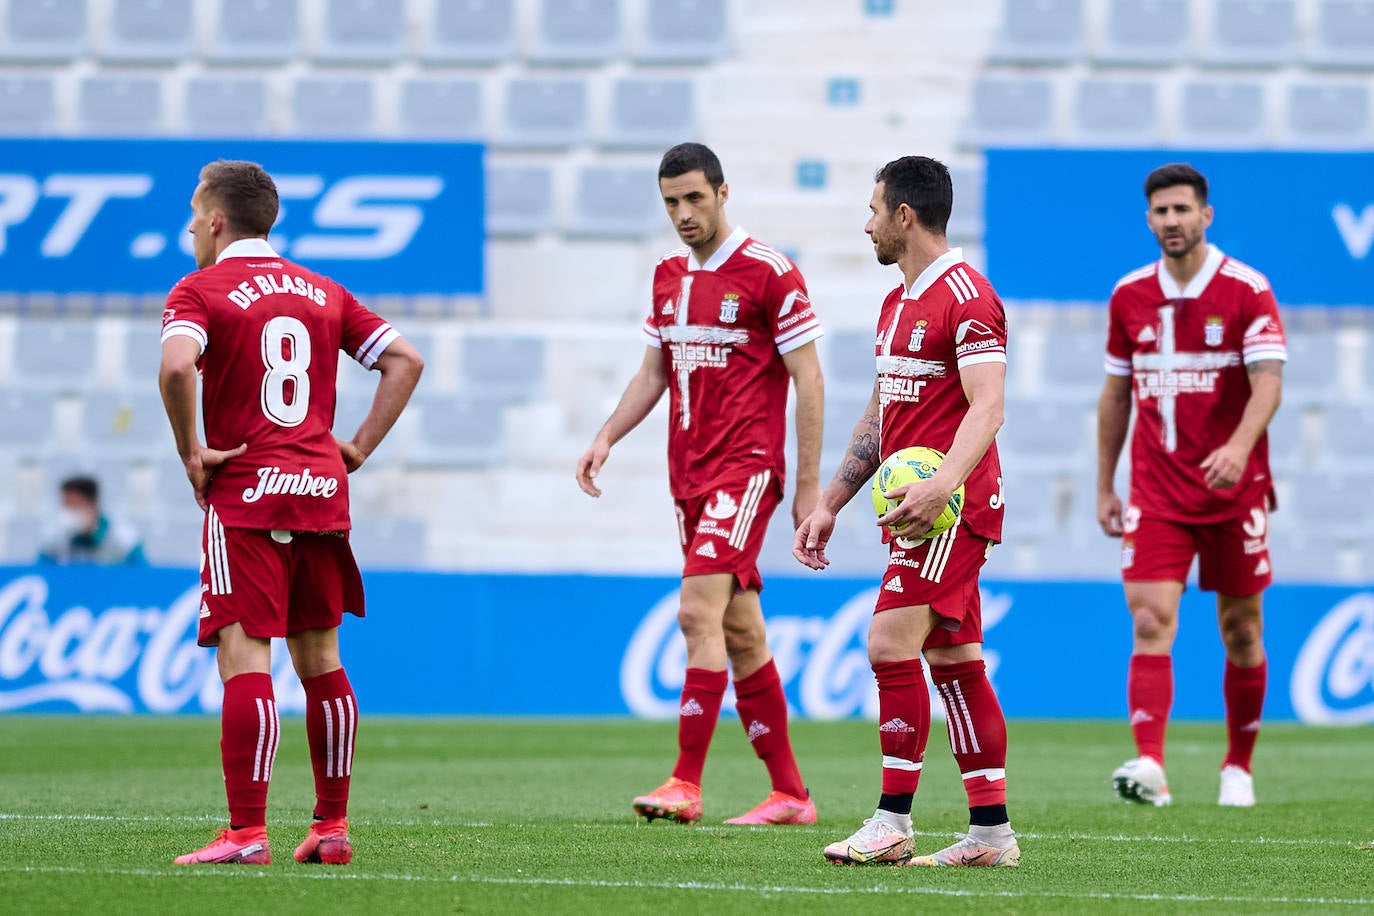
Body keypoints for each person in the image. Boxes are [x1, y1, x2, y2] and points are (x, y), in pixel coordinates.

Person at [159, 160, 423, 865]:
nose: (189, 227)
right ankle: (331, 828)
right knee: (322, 660)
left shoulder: (199, 288)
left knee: (246, 656)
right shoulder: (323, 290)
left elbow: (178, 368)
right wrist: (359, 446)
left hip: (245, 489)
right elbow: (405, 361)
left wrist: (193, 450)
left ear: (216, 221)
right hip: (319, 491)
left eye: (193, 213)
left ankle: (246, 833)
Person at [576, 142, 825, 826]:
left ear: (722, 192)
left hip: (745, 470)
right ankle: (791, 795)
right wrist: (606, 435)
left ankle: (685, 782)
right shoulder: (666, 276)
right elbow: (653, 372)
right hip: (687, 476)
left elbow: (809, 377)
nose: (683, 213)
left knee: (694, 614)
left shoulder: (770, 273)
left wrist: (807, 488)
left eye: (694, 198)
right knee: (741, 634)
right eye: (671, 203)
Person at [794, 156, 1019, 867]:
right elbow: (880, 410)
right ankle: (990, 835)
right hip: (925, 507)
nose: (866, 224)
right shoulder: (896, 305)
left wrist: (942, 485)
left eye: (872, 210)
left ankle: (891, 822)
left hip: (951, 510)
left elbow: (989, 404)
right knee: (955, 663)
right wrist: (830, 500)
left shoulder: (969, 296)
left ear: (904, 216)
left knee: (888, 646)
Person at [1097, 163, 1285, 808]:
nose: (1171, 221)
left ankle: (1239, 766)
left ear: (1206, 215)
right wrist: (1105, 485)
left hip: (1235, 490)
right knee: (1150, 619)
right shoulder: (1128, 296)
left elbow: (1268, 383)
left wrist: (1238, 448)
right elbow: (1116, 395)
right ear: (1148, 219)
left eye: (1182, 210)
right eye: (1160, 212)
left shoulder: (1246, 289)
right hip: (1157, 491)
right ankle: (1151, 766)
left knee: (1241, 631)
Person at [38, 475, 145, 565]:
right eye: (66, 507)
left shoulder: (124, 541)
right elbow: (41, 574)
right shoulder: (55, 542)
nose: (68, 514)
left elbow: (141, 578)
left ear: (93, 504)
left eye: (74, 506)